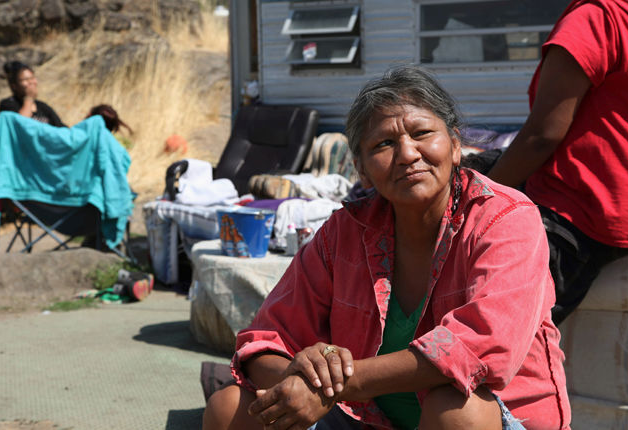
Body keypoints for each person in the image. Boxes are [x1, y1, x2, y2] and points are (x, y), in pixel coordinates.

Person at [203, 66, 570, 430]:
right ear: (362, 170)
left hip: (497, 420)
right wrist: (303, 380)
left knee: (456, 409)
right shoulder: (344, 233)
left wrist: (337, 384)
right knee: (230, 409)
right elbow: (265, 340)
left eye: (422, 133)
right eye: (384, 144)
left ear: (456, 145)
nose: (408, 154)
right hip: (371, 420)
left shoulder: (505, 218)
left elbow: (478, 348)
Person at [485, 0, 628, 325]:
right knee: (474, 166)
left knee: (497, 325)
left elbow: (541, 136)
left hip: (586, 212)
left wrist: (481, 200)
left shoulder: (596, 18)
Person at [0, 61, 66, 127]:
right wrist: (29, 98)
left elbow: (61, 129)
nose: (31, 82)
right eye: (26, 79)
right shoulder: (8, 104)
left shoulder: (43, 107)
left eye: (32, 78)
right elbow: (20, 125)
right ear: (14, 85)